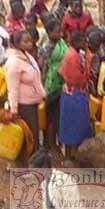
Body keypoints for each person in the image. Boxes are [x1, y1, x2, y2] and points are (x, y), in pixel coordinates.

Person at [6, 30, 46, 162]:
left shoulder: (28, 57)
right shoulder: (14, 62)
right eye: (26, 41)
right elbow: (13, 88)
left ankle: (31, 163)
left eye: (30, 40)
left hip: (33, 103)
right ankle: (25, 165)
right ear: (17, 44)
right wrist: (14, 110)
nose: (30, 43)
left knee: (33, 135)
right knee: (28, 136)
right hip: (24, 105)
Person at [58, 30, 93, 160]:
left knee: (74, 125)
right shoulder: (72, 56)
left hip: (72, 94)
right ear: (77, 42)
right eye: (83, 41)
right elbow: (78, 79)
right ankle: (69, 156)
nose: (85, 44)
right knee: (73, 125)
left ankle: (73, 154)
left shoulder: (74, 53)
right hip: (74, 95)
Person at [38, 20, 68, 151]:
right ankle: (49, 143)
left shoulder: (62, 44)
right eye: (57, 32)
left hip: (60, 82)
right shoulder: (47, 48)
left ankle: (52, 142)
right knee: (50, 116)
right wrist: (42, 86)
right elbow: (43, 66)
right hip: (50, 84)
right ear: (49, 33)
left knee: (57, 115)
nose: (60, 34)